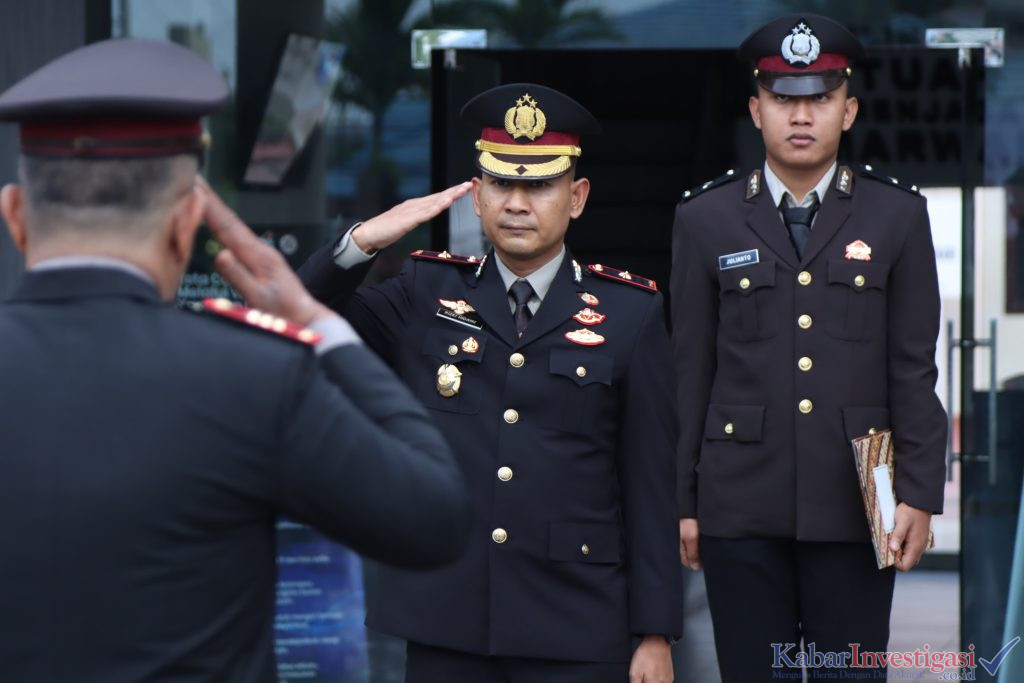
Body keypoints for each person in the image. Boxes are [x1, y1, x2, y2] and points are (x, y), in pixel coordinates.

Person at [0, 37, 471, 683]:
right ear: (186, 221)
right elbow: (433, 514)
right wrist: (320, 326)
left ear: (15, 214)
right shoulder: (252, 376)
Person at [299, 83, 682, 683]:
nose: (518, 202)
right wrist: (362, 243)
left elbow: (650, 486)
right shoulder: (426, 294)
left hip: (576, 622)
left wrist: (655, 631)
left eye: (540, 185)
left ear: (576, 196)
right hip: (448, 620)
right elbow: (297, 319)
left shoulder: (629, 314)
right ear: (476, 197)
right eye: (502, 183)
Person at [671, 13, 948, 682]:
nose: (802, 116)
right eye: (784, 99)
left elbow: (913, 367)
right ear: (755, 109)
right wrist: (684, 500)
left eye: (820, 99)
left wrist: (918, 493)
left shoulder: (897, 215)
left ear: (848, 110)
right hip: (739, 496)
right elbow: (689, 370)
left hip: (869, 488)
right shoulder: (703, 219)